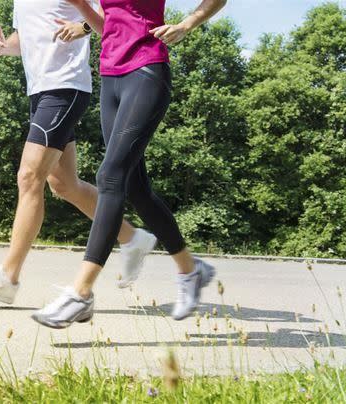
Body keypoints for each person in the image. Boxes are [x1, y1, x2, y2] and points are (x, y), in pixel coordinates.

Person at [32, 0, 228, 329]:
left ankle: (80, 293)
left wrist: (187, 24)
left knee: (110, 175)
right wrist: (81, 6)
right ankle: (190, 269)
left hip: (146, 69)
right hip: (111, 76)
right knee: (135, 187)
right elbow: (107, 24)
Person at [0, 0, 158, 305]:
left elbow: (112, 11)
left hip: (65, 86)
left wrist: (85, 26)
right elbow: (25, 39)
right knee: (63, 184)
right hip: (40, 90)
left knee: (29, 176)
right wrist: (4, 46)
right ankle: (132, 238)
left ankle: (8, 277)